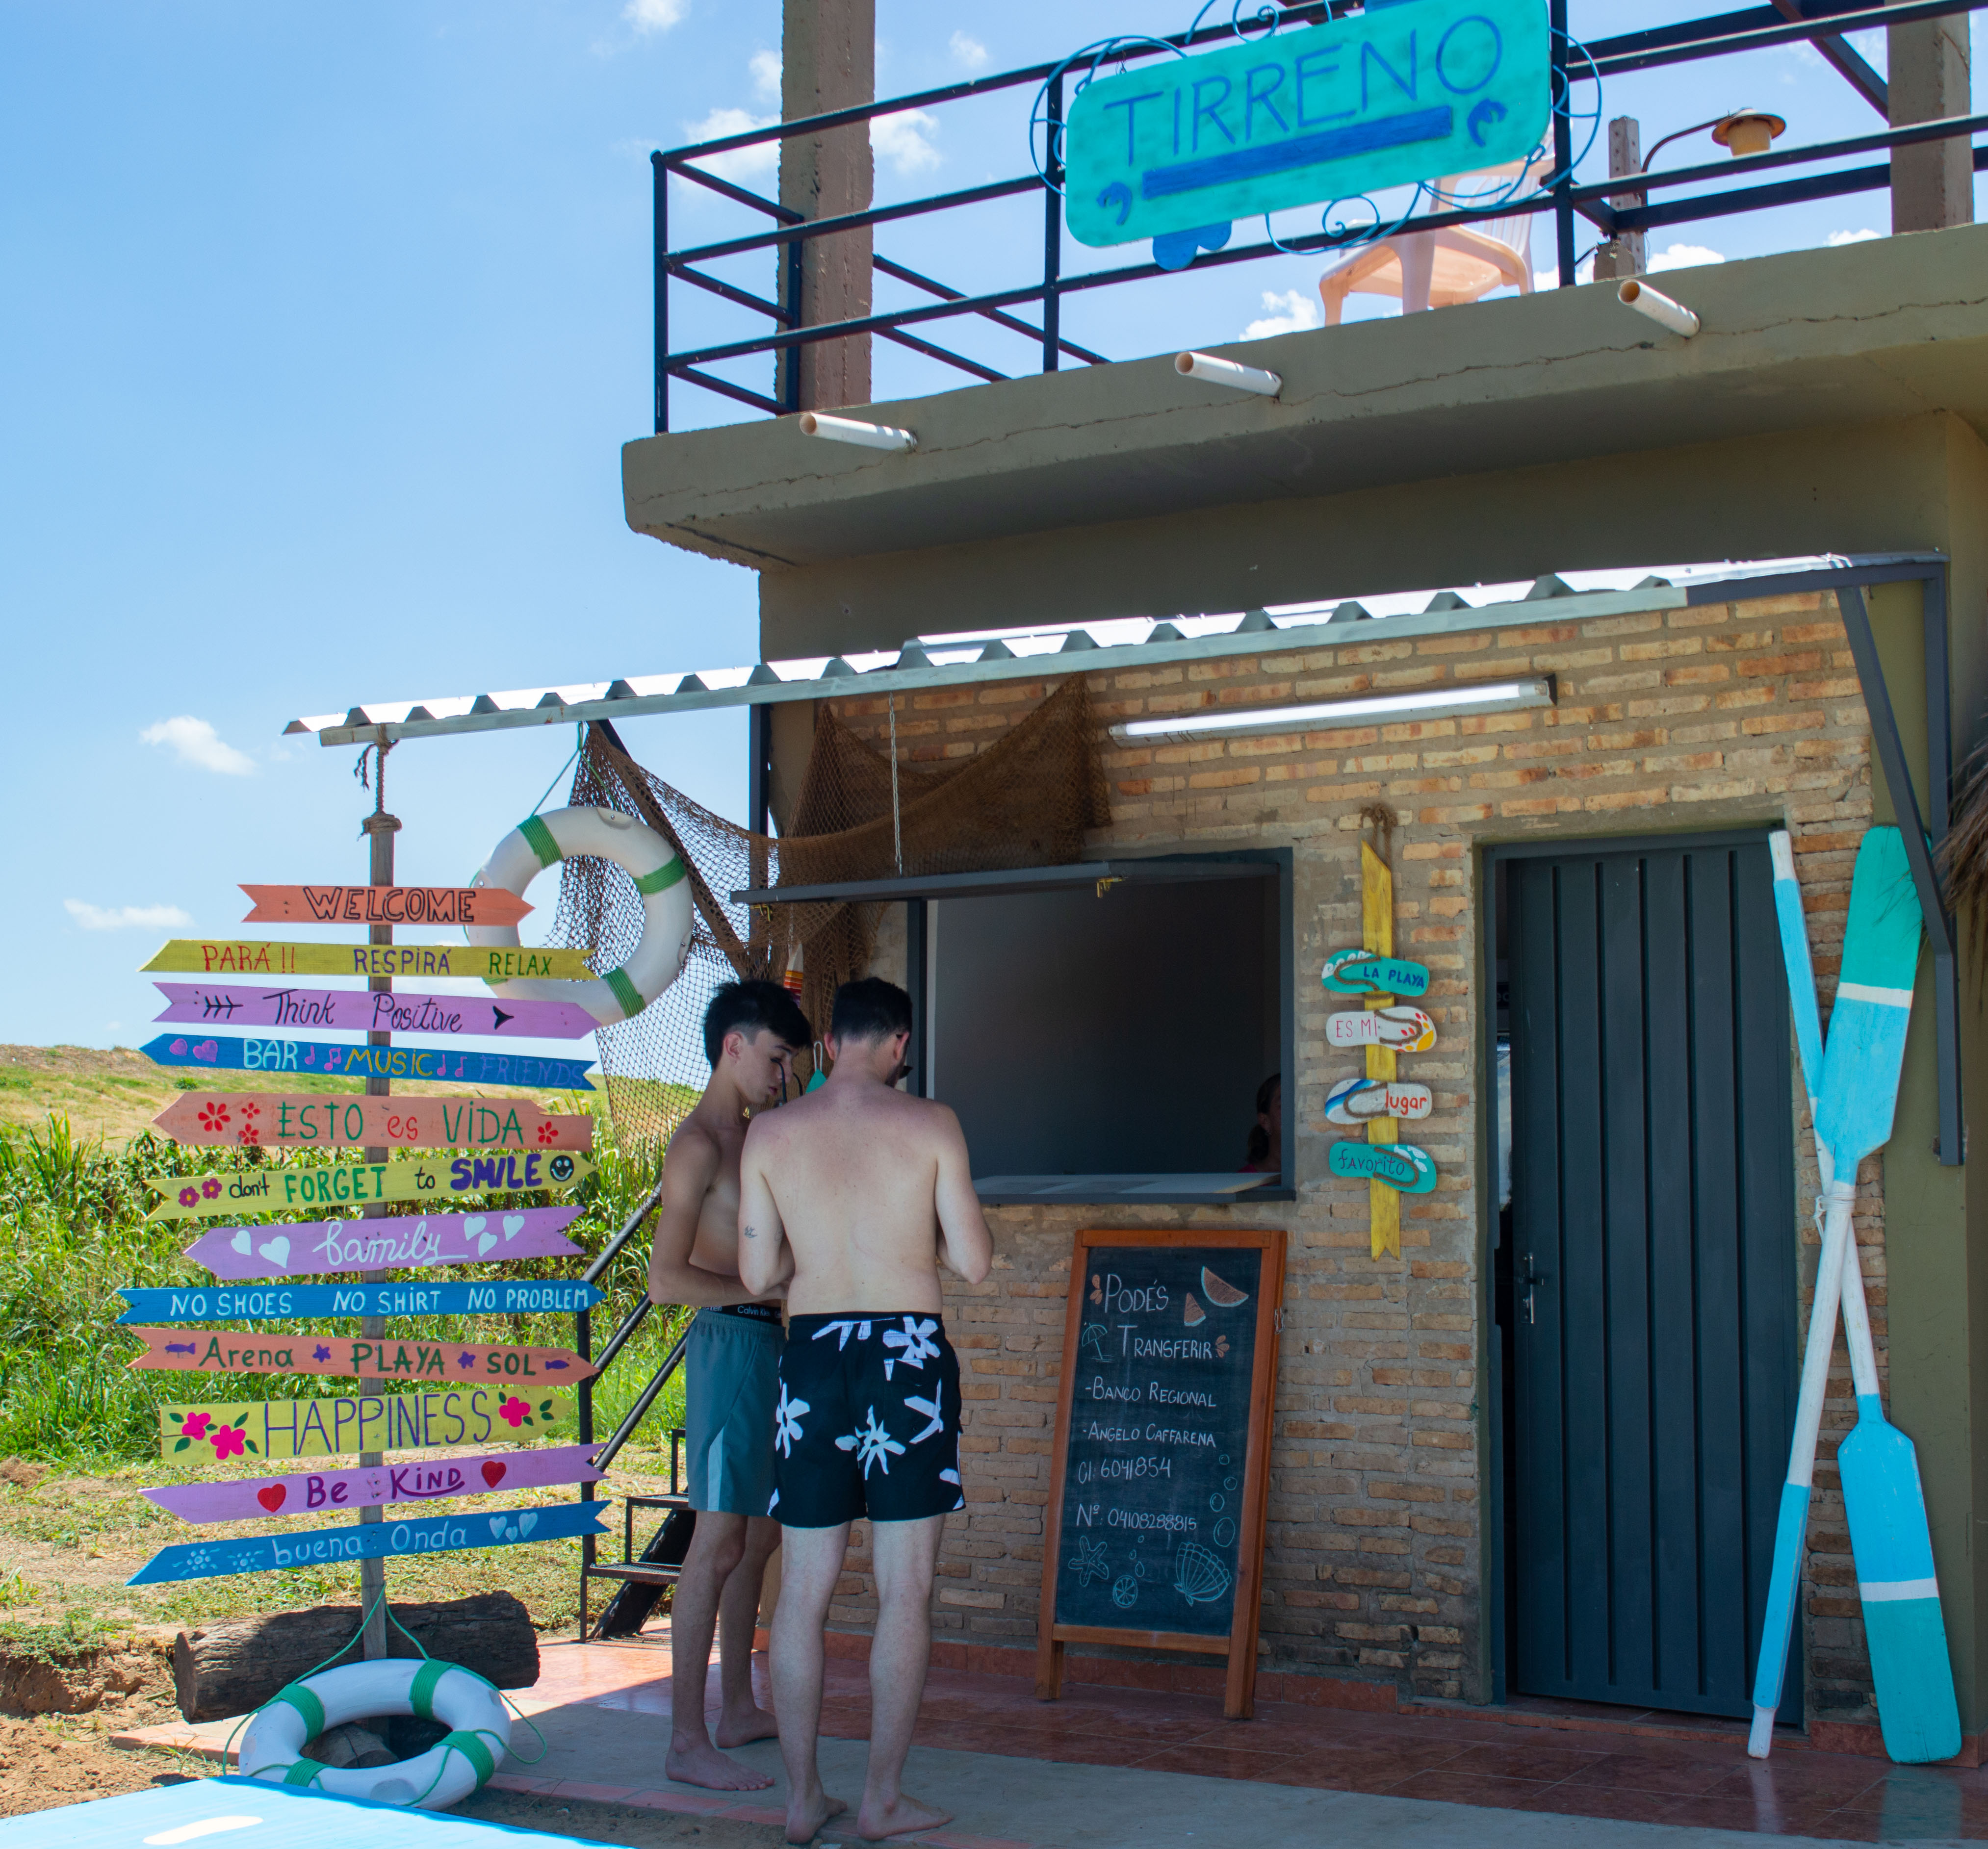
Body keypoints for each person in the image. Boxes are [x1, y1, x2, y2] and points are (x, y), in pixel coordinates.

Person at [737, 977, 993, 1845]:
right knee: (903, 1590)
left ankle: (802, 1799)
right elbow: (973, 1261)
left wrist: (819, 1255)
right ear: (898, 1043)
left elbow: (756, 1273)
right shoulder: (931, 1124)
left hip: (811, 1355)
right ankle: (882, 1798)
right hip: (905, 1356)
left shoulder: (771, 1133)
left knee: (803, 1592)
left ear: (829, 1044)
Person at [647, 978, 811, 1792]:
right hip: (727, 1343)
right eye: (776, 1059)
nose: (782, 1075)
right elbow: (664, 1280)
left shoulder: (756, 1135)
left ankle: (737, 1706)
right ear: (733, 1046)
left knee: (762, 1534)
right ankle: (686, 1740)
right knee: (715, 1543)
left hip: (769, 1343)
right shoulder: (698, 1145)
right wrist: (760, 1291)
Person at [1241, 1073, 1282, 1172]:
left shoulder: (1317, 1175)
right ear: (1265, 1121)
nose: (1296, 1110)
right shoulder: (1246, 1179)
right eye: (1285, 1104)